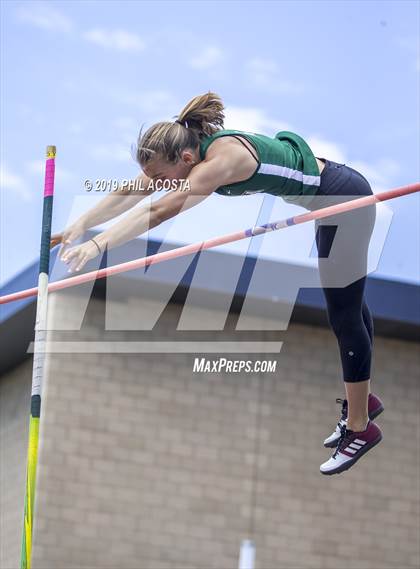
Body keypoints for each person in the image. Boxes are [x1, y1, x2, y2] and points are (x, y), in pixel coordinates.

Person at [53, 91, 384, 475]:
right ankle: (362, 401)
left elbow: (158, 210)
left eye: (162, 177)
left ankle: (361, 426)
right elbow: (133, 192)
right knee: (350, 308)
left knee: (344, 314)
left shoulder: (219, 162)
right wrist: (79, 226)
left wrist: (97, 245)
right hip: (331, 203)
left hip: (345, 200)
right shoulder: (190, 155)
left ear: (187, 159)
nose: (158, 184)